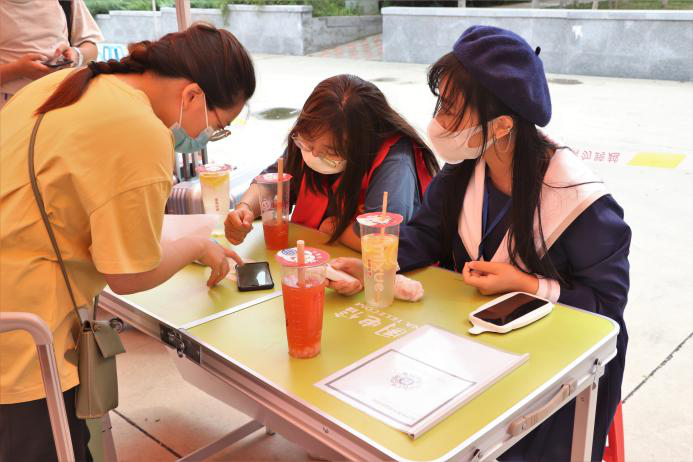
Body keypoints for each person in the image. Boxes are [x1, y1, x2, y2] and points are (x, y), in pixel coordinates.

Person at [331, 26, 630, 461]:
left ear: (503, 125)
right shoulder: (465, 171)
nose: (439, 121)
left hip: (555, 370)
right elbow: (425, 236)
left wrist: (526, 285)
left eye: (452, 109)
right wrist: (377, 265)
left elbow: (607, 308)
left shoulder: (579, 202)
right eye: (440, 103)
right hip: (475, 346)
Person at [0, 23, 255, 461]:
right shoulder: (140, 130)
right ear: (192, 95)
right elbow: (129, 274)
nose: (208, 137)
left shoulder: (67, 83)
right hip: (22, 332)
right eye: (218, 126)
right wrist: (197, 245)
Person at [224, 74, 439, 251]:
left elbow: (382, 238)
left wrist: (335, 228)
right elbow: (272, 182)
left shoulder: (395, 163)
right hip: (308, 258)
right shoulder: (308, 140)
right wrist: (245, 209)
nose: (314, 154)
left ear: (361, 144)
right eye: (307, 142)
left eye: (331, 151)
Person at [0, 0, 103, 109]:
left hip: (64, 100)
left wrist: (76, 55)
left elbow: (92, 50)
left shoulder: (67, 2)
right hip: (10, 107)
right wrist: (17, 70)